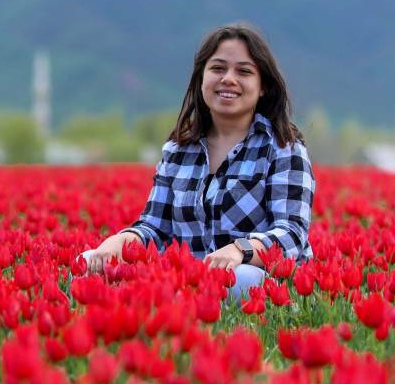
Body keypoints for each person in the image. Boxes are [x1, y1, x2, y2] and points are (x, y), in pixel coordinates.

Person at [86, 23, 315, 300]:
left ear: (263, 86)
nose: (228, 79)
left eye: (243, 71)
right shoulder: (179, 150)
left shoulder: (282, 148)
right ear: (201, 78)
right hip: (190, 280)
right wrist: (120, 242)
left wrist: (240, 250)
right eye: (218, 68)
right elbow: (156, 228)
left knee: (240, 279)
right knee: (89, 262)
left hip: (257, 279)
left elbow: (292, 235)